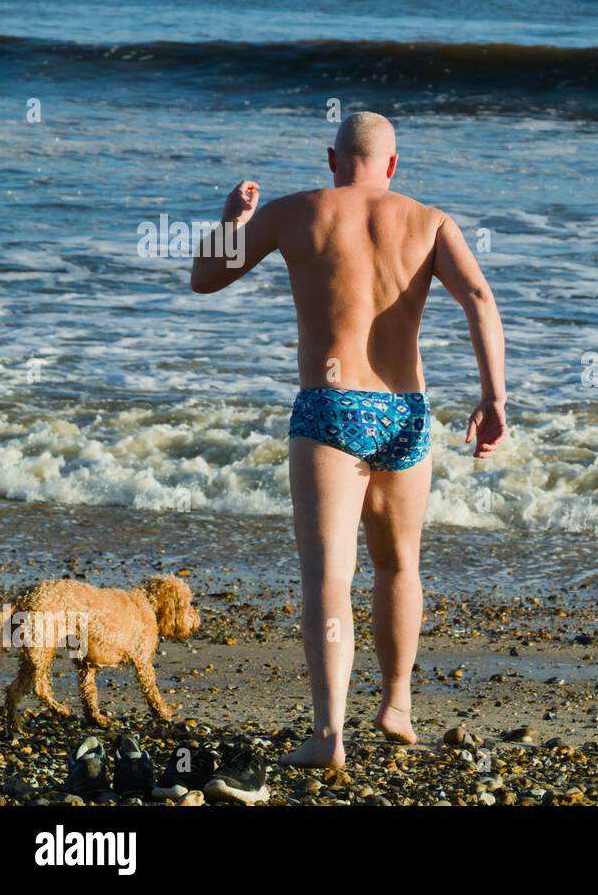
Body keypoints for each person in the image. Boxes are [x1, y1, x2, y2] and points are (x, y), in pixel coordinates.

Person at [190, 112, 507, 767]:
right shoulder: (430, 221)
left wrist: (232, 221)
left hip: (331, 406)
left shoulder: (295, 211)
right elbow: (478, 295)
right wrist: (493, 397)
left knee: (330, 576)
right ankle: (397, 703)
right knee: (398, 565)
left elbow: (206, 276)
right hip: (405, 412)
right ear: (393, 166)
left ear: (332, 161)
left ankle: (329, 734)